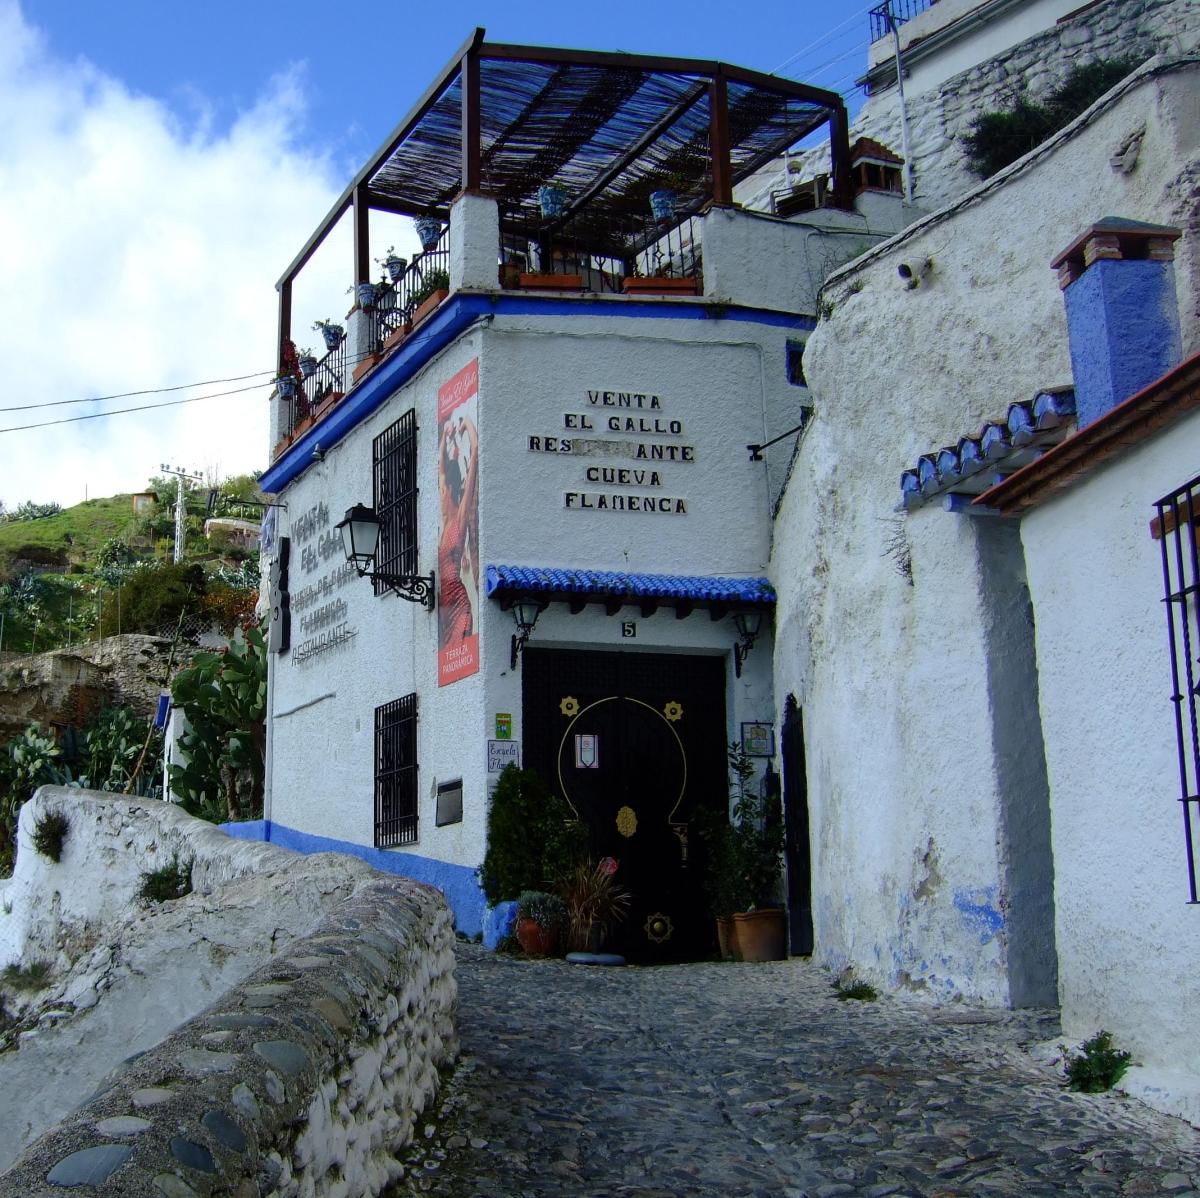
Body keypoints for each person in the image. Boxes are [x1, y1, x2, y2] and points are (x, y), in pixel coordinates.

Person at [438, 413, 478, 651]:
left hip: (459, 603)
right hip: (444, 605)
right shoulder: (443, 522)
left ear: (451, 491)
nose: (440, 494)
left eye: (443, 491)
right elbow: (441, 468)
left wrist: (467, 426)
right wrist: (444, 435)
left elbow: (474, 455)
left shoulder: (460, 515)